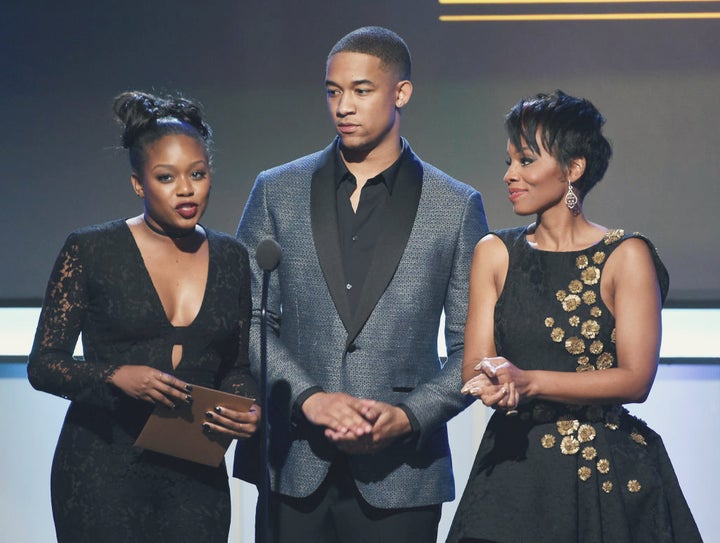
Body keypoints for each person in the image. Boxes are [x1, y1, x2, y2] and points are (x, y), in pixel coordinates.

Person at [233, 26, 488, 543]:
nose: (343, 106)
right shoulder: (276, 189)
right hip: (293, 464)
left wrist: (408, 416)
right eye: (333, 91)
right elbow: (250, 318)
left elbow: (472, 350)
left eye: (361, 90)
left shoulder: (456, 205)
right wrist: (307, 399)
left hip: (403, 476)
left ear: (401, 93)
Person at [446, 90, 702, 542]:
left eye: (525, 161)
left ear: (573, 169)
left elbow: (636, 380)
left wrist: (531, 382)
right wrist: (490, 382)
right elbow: (475, 365)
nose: (510, 175)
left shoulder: (626, 255)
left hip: (605, 473)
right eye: (509, 161)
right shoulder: (494, 252)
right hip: (513, 473)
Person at [27, 90, 261, 543]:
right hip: (102, 468)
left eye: (198, 173)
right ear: (139, 184)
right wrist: (115, 375)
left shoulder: (232, 258)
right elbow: (44, 364)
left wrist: (246, 409)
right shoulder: (91, 250)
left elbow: (237, 366)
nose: (187, 189)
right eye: (166, 177)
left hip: (194, 474)